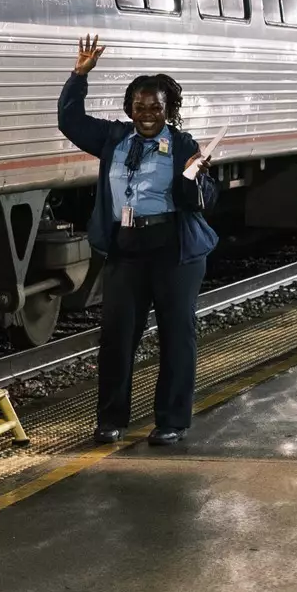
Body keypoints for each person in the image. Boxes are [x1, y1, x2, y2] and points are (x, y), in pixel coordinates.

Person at [58, 34, 219, 447]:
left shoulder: (182, 145)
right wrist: (80, 75)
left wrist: (195, 176)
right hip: (125, 250)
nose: (147, 113)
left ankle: (171, 422)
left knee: (176, 336)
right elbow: (70, 121)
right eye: (140, 106)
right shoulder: (113, 139)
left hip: (173, 252)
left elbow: (204, 200)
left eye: (155, 107)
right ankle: (111, 421)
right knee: (117, 336)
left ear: (169, 111)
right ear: (130, 108)